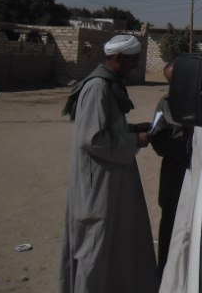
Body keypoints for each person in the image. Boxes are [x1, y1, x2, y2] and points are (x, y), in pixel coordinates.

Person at [59, 34, 159, 293]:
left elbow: (106, 126)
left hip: (109, 180)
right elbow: (92, 138)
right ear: (118, 58)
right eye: (132, 60)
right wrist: (133, 140)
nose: (134, 66)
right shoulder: (97, 88)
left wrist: (132, 129)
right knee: (95, 246)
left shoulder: (107, 85)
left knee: (111, 244)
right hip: (97, 186)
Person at [150, 61, 192, 277]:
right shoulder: (164, 104)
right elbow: (156, 137)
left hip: (196, 174)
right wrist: (176, 147)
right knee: (169, 227)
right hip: (173, 174)